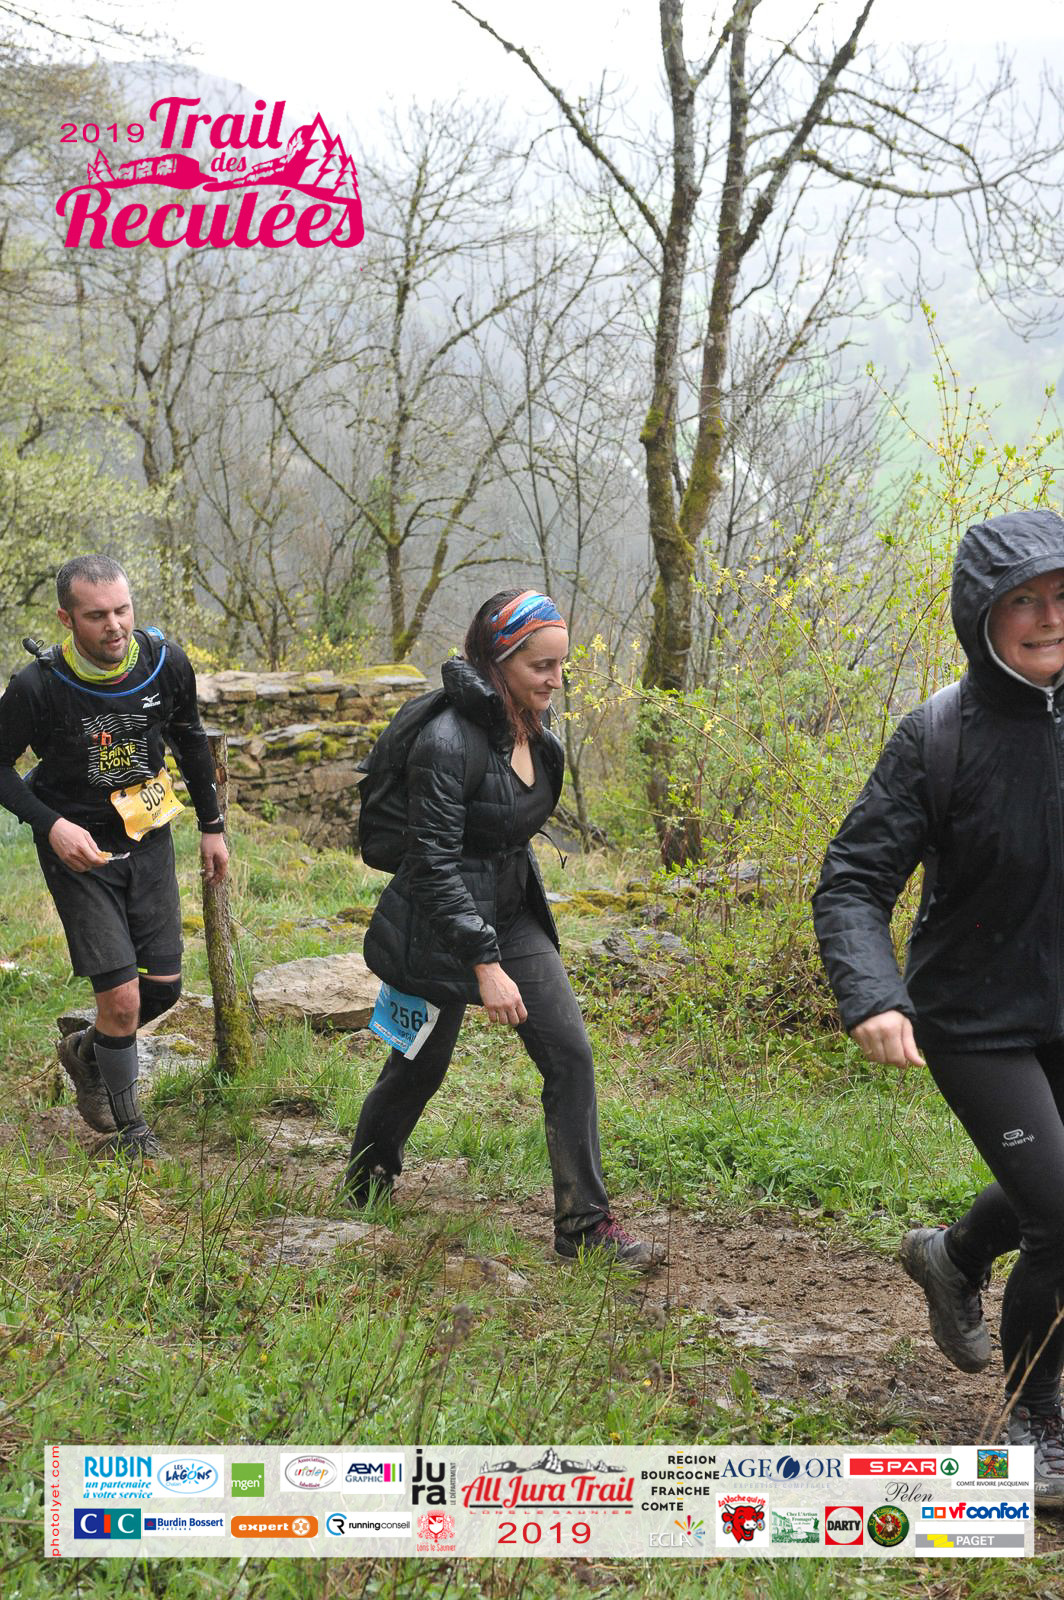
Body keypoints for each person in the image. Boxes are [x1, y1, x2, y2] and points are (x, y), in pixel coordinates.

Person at [813, 508, 1064, 1501]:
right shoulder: (938, 736)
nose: (1049, 618)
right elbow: (850, 880)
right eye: (1023, 601)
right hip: (971, 1018)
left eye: (1062, 597)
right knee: (1063, 1215)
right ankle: (1033, 1422)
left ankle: (953, 1256)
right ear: (980, 616)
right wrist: (871, 995)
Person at [346, 588, 666, 1269]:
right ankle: (366, 1179)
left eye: (561, 665)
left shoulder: (536, 735)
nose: (555, 681)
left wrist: (504, 939)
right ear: (497, 662)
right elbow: (432, 864)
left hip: (512, 911)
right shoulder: (444, 743)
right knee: (418, 1064)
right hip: (438, 923)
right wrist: (484, 964)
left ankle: (583, 1228)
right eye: (540, 667)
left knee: (569, 1055)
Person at [0, 554, 229, 1159]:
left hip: (148, 837)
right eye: (97, 615)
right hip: (80, 852)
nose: (115, 626)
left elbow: (190, 736)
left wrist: (212, 826)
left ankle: (85, 1051)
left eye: (123, 610)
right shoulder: (37, 687)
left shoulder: (164, 662)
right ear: (66, 619)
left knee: (165, 990)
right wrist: (52, 826)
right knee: (122, 1000)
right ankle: (132, 1133)